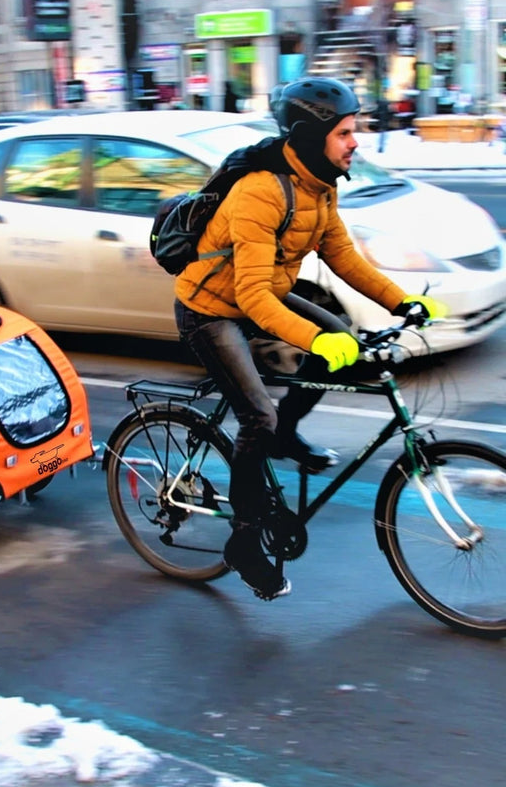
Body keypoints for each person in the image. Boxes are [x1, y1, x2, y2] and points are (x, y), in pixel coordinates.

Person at [173, 76, 447, 601]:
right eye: (345, 132)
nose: (356, 141)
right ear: (308, 135)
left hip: (263, 295)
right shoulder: (260, 191)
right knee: (257, 415)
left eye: (356, 130)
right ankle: (244, 542)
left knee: (343, 345)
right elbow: (251, 298)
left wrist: (401, 301)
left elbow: (344, 258)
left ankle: (286, 433)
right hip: (210, 310)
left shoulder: (317, 189)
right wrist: (314, 340)